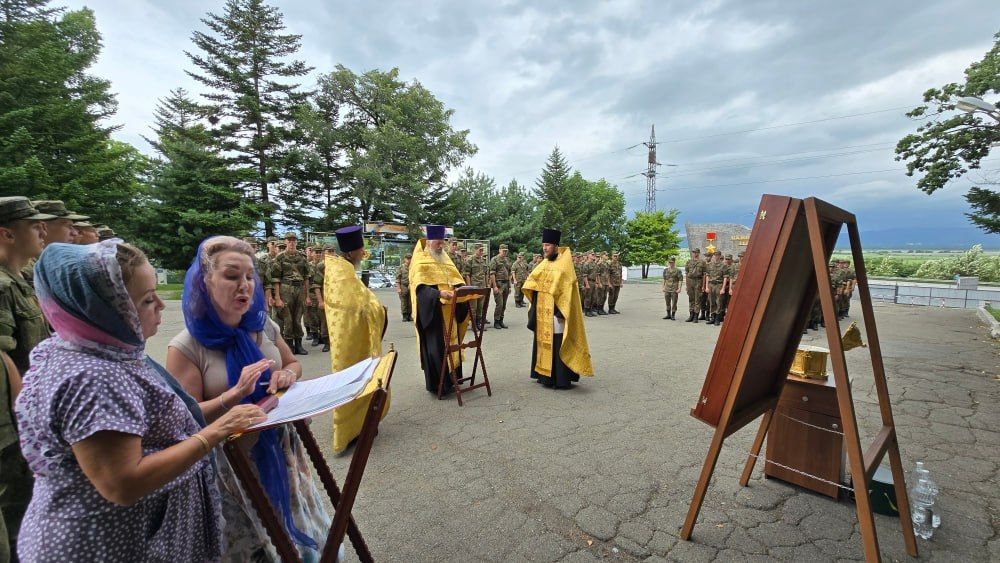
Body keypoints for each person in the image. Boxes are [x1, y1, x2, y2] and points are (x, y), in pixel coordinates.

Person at [15, 240, 266, 561]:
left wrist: (229, 398)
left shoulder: (99, 349)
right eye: (147, 299)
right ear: (106, 311)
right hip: (105, 545)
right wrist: (216, 432)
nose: (160, 305)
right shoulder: (94, 378)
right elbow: (123, 484)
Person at [167, 236, 331, 561]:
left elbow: (293, 363)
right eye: (232, 276)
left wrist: (288, 375)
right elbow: (185, 417)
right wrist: (233, 395)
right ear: (204, 281)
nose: (244, 285)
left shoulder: (262, 326)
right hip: (232, 469)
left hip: (282, 451)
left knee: (304, 538)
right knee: (255, 550)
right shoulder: (186, 347)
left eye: (249, 276)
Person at [0, 197, 53, 550]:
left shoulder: (21, 280)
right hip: (15, 419)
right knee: (14, 509)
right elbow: (2, 354)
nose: (43, 231)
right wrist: (27, 415)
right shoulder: (2, 286)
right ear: (6, 234)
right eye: (34, 226)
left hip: (31, 409)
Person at [324, 226, 390, 453]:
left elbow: (361, 302)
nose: (363, 252)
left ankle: (362, 424)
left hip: (354, 335)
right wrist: (378, 310)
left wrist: (375, 308)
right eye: (361, 249)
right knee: (353, 378)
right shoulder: (341, 274)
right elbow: (356, 308)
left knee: (361, 378)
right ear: (350, 252)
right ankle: (350, 431)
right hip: (349, 339)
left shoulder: (342, 269)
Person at [523, 229, 593, 389]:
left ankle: (560, 379)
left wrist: (561, 312)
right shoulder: (544, 263)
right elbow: (533, 282)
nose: (544, 248)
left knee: (557, 342)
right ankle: (545, 377)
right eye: (543, 245)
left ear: (555, 246)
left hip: (557, 311)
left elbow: (568, 290)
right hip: (542, 310)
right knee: (543, 343)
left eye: (547, 245)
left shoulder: (564, 265)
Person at [408, 225, 473, 396]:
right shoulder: (420, 260)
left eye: (442, 242)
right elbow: (420, 289)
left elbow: (457, 279)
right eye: (438, 242)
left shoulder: (445, 258)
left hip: (451, 310)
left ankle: (453, 379)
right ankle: (440, 385)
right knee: (437, 347)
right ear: (429, 242)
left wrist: (461, 290)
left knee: (453, 344)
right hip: (434, 313)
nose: (441, 246)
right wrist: (438, 294)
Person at [272, 232, 310, 355]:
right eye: (289, 240)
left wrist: (307, 296)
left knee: (298, 317)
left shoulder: (302, 257)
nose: (292, 242)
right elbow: (276, 278)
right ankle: (289, 345)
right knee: (287, 318)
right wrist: (277, 297)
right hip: (286, 288)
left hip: (300, 289)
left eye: (294, 240)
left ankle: (299, 344)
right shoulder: (280, 258)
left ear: (296, 242)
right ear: (285, 242)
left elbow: (306, 277)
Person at [466, 243, 490, 329]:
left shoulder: (483, 260)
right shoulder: (470, 260)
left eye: (482, 250)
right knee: (474, 307)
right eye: (480, 250)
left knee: (480, 306)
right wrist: (469, 287)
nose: (482, 252)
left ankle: (478, 323)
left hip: (482, 286)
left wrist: (487, 285)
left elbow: (485, 273)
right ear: (475, 250)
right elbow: (467, 274)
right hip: (474, 287)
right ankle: (474, 325)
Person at [489, 244, 512, 329]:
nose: (505, 252)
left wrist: (510, 286)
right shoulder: (494, 259)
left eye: (506, 251)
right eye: (503, 251)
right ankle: (496, 321)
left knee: (504, 304)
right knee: (499, 304)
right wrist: (494, 286)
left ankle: (501, 320)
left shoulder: (507, 260)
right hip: (498, 284)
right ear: (499, 250)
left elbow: (509, 273)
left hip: (506, 284)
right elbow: (492, 273)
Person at [684, 249, 706, 323]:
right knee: (691, 299)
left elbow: (704, 275)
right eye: (693, 252)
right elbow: (686, 274)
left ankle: (696, 316)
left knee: (697, 299)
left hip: (698, 281)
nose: (694, 253)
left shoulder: (702, 262)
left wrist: (703, 286)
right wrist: (687, 285)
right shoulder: (689, 262)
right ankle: (691, 315)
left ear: (698, 253)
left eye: (696, 252)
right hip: (690, 281)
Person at [396, 253, 413, 321]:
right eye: (407, 259)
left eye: (410, 258)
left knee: (410, 301)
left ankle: (410, 315)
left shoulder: (413, 267)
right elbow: (398, 279)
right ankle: (405, 315)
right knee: (404, 301)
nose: (409, 260)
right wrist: (398, 288)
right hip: (403, 285)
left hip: (411, 286)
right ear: (405, 259)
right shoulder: (401, 267)